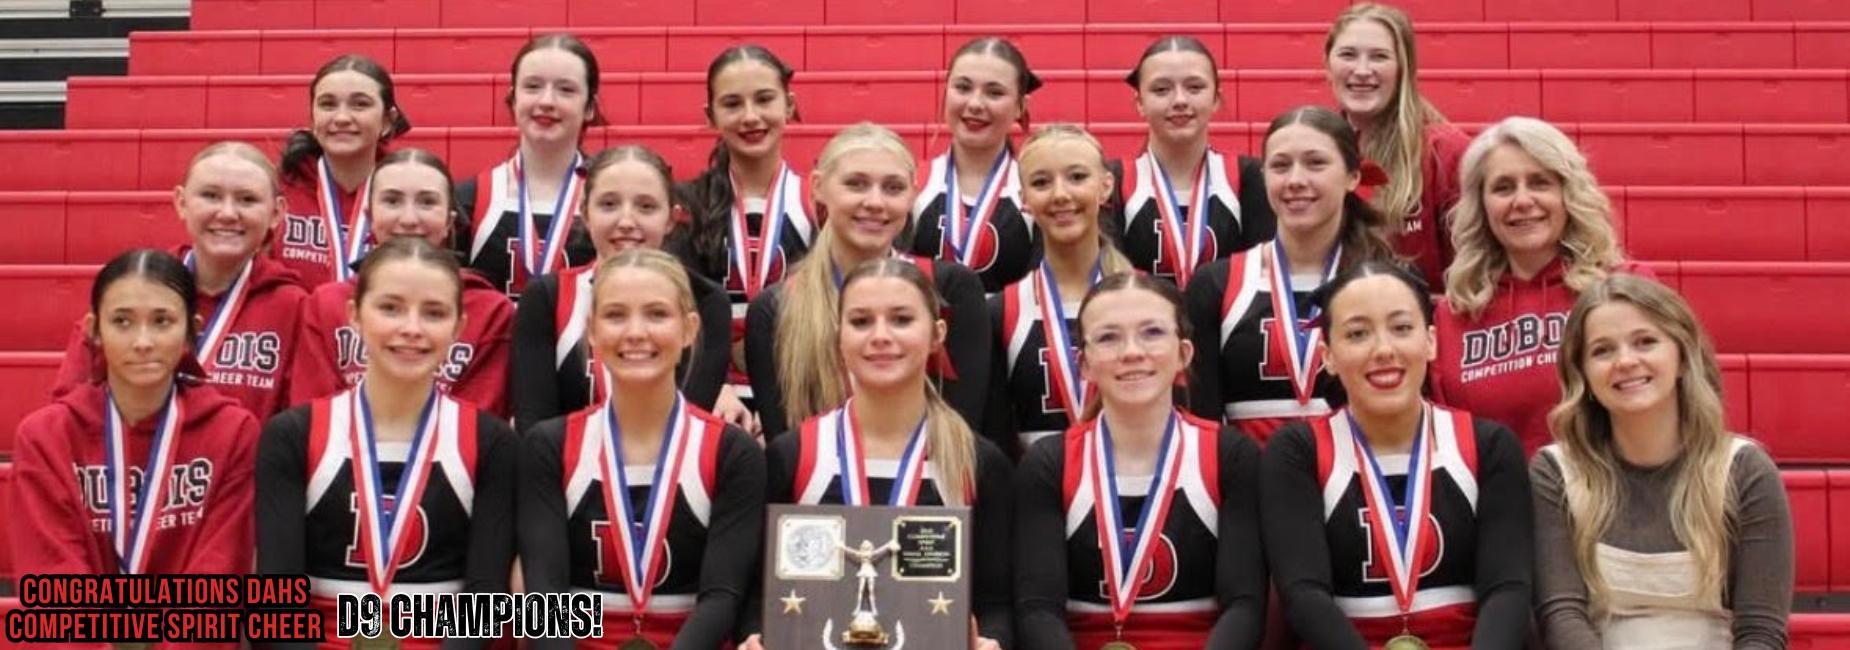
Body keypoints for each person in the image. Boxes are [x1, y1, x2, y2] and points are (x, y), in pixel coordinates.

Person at [257, 238, 516, 648]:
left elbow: (485, 602)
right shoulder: (292, 436)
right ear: (354, 316)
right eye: (390, 308)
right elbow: (275, 603)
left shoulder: (492, 443)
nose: (411, 328)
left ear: (458, 328)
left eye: (433, 313)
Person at [1262, 260, 1531, 649]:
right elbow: (1304, 595)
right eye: (1357, 334)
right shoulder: (1297, 452)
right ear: (1327, 355)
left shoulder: (1489, 446)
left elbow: (1507, 589)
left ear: (1431, 341)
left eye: (1402, 328)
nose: (1384, 349)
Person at [751, 257, 1014, 649]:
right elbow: (755, 597)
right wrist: (753, 638)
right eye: (861, 322)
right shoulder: (793, 455)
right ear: (838, 337)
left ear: (937, 334)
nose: (880, 336)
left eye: (901, 320)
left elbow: (997, 604)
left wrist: (994, 642)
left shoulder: (978, 462)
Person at [519, 248, 765, 649]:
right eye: (616, 315)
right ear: (592, 331)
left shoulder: (732, 452)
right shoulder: (550, 445)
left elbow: (723, 597)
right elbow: (545, 595)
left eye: (657, 314)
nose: (636, 332)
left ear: (689, 329)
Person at [1533, 273, 1792, 649]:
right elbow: (1561, 616)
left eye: (1645, 342)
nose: (1625, 361)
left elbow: (1761, 632)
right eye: (1602, 350)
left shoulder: (1746, 471)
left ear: (1683, 356)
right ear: (1582, 374)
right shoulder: (1555, 473)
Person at [1014, 272, 1266, 649]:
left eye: (1152, 333)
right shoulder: (1049, 463)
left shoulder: (1229, 455)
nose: (1131, 351)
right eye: (1108, 337)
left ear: (1184, 354)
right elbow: (1038, 609)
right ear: (1084, 364)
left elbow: (1245, 605)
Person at [15, 249, 257, 580]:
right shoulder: (46, 437)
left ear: (192, 330)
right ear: (94, 331)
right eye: (122, 321)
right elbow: (52, 574)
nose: (143, 342)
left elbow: (220, 570)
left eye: (162, 321)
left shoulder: (233, 432)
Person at [744, 123, 990, 439]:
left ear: (913, 194)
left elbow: (966, 434)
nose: (875, 202)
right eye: (856, 184)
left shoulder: (951, 290)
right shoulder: (775, 308)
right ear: (818, 187)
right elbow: (785, 447)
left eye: (893, 188)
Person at [1431, 116, 1643, 456]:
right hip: (1493, 488)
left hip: (1601, 484)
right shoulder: (1454, 311)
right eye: (1503, 188)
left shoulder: (1624, 287)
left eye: (1540, 183)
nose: (1522, 200)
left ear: (1567, 193)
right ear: (1481, 204)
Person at [1185, 106, 1397, 442]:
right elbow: (1201, 428)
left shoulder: (1392, 283)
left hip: (1359, 472)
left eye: (1316, 163)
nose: (1296, 180)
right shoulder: (1215, 285)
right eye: (1281, 166)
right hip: (1251, 473)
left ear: (1353, 177)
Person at [54, 141, 307, 418]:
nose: (227, 213)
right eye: (210, 196)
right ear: (181, 202)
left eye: (247, 200)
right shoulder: (133, 289)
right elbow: (70, 412)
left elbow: (302, 423)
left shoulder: (295, 307)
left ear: (276, 213)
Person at [511, 145, 743, 434]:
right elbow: (534, 428)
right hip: (569, 462)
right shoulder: (547, 298)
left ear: (671, 218)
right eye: (609, 204)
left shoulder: (706, 301)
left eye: (646, 206)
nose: (626, 222)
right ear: (585, 213)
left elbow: (690, 424)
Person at [290, 148, 515, 418]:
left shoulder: (491, 311)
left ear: (449, 221)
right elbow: (313, 418)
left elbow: (478, 425)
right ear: (370, 217)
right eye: (392, 201)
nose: (409, 219)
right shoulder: (325, 304)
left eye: (427, 202)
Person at [673, 44, 816, 407]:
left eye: (764, 99)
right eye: (732, 104)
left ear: (789, 105)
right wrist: (713, 389)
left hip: (800, 396)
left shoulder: (818, 204)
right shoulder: (687, 206)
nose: (750, 116)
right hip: (709, 398)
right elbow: (679, 306)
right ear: (711, 116)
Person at [983, 124, 1136, 457]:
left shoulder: (1151, 301)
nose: (1060, 195)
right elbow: (995, 438)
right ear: (1023, 198)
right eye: (1041, 183)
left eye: (1077, 177)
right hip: (1035, 484)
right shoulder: (1002, 312)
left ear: (1106, 186)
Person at [1325, 2, 1471, 290]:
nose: (1362, 70)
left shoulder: (1446, 152)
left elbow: (1474, 268)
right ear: (1328, 65)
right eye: (1348, 55)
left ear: (1403, 68)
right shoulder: (1318, 152)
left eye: (1379, 57)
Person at [1108, 36, 1274, 289]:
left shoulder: (1251, 178)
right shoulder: (1113, 180)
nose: (1180, 101)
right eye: (1161, 90)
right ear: (1139, 103)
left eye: (1195, 88)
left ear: (1216, 99)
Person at [457, 34, 604, 297]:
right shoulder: (469, 199)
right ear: (513, 99)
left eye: (566, 90)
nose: (546, 101)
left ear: (590, 107)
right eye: (533, 86)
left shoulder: (612, 200)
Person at [907, 37, 1042, 293]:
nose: (975, 104)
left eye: (994, 93)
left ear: (1020, 106)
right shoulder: (912, 185)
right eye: (963, 88)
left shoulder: (1036, 191)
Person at [274, 54, 411, 289]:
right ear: (312, 117)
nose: (342, 118)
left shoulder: (411, 194)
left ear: (388, 120)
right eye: (328, 104)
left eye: (360, 104)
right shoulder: (276, 190)